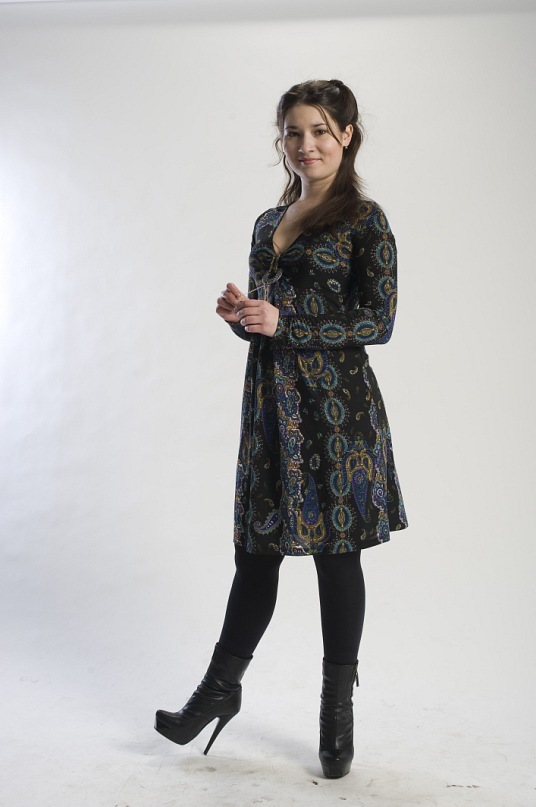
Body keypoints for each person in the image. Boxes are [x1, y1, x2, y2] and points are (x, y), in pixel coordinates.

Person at [155, 78, 409, 779]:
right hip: (273, 407)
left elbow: (378, 321)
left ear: (347, 135)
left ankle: (336, 715)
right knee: (256, 553)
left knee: (337, 558)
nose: (306, 144)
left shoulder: (366, 221)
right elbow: (267, 322)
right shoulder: (269, 221)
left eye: (320, 130)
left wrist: (285, 321)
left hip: (338, 413)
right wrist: (245, 316)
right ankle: (219, 690)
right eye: (294, 132)